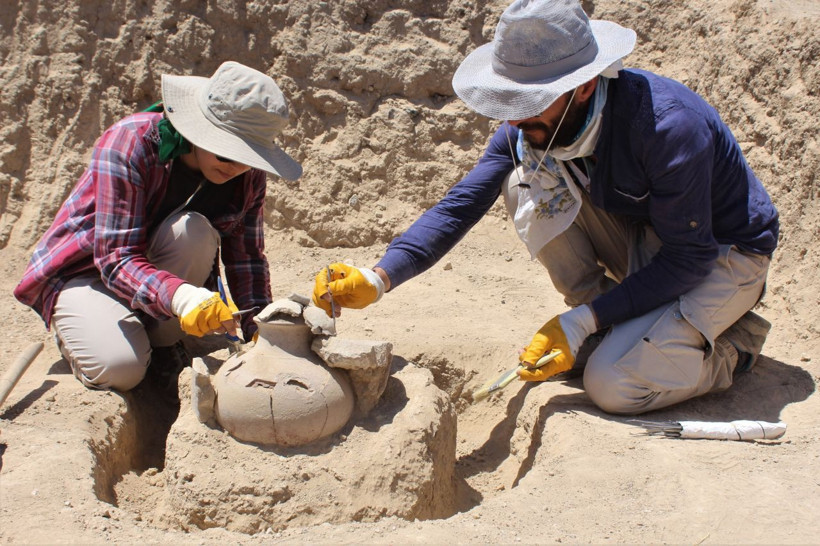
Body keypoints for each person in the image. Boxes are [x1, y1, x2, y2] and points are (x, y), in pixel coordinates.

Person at [312, 0, 779, 415]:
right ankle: (604, 326)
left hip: (719, 253)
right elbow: (460, 206)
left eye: (530, 101)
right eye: (509, 98)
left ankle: (734, 347)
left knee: (613, 385)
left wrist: (579, 323)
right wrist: (379, 277)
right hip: (650, 238)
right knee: (521, 183)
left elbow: (688, 256)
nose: (515, 116)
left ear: (583, 86)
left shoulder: (667, 127)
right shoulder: (529, 131)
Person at [14, 61, 302, 392]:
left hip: (156, 280)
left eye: (249, 157)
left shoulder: (246, 175)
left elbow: (247, 259)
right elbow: (115, 258)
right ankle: (86, 333)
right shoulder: (130, 143)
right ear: (200, 129)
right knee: (119, 369)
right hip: (87, 273)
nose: (237, 167)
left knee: (192, 232)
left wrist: (259, 333)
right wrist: (183, 298)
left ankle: (161, 347)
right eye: (228, 154)